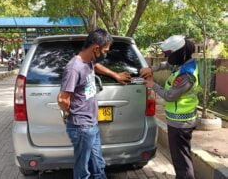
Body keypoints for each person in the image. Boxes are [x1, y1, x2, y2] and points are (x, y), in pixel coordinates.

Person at [57, 28, 131, 179]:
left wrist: (114, 74)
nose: (106, 54)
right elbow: (62, 99)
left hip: (91, 124)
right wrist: (75, 114)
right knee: (82, 170)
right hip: (82, 126)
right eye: (105, 50)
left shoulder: (88, 61)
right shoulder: (74, 68)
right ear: (96, 48)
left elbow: (96, 67)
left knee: (98, 164)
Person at [140, 35, 199, 179]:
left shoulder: (186, 74)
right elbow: (167, 65)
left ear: (178, 53)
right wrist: (152, 68)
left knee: (181, 162)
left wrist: (152, 84)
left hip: (181, 125)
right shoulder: (184, 63)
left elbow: (170, 96)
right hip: (179, 122)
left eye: (168, 55)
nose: (166, 58)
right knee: (181, 158)